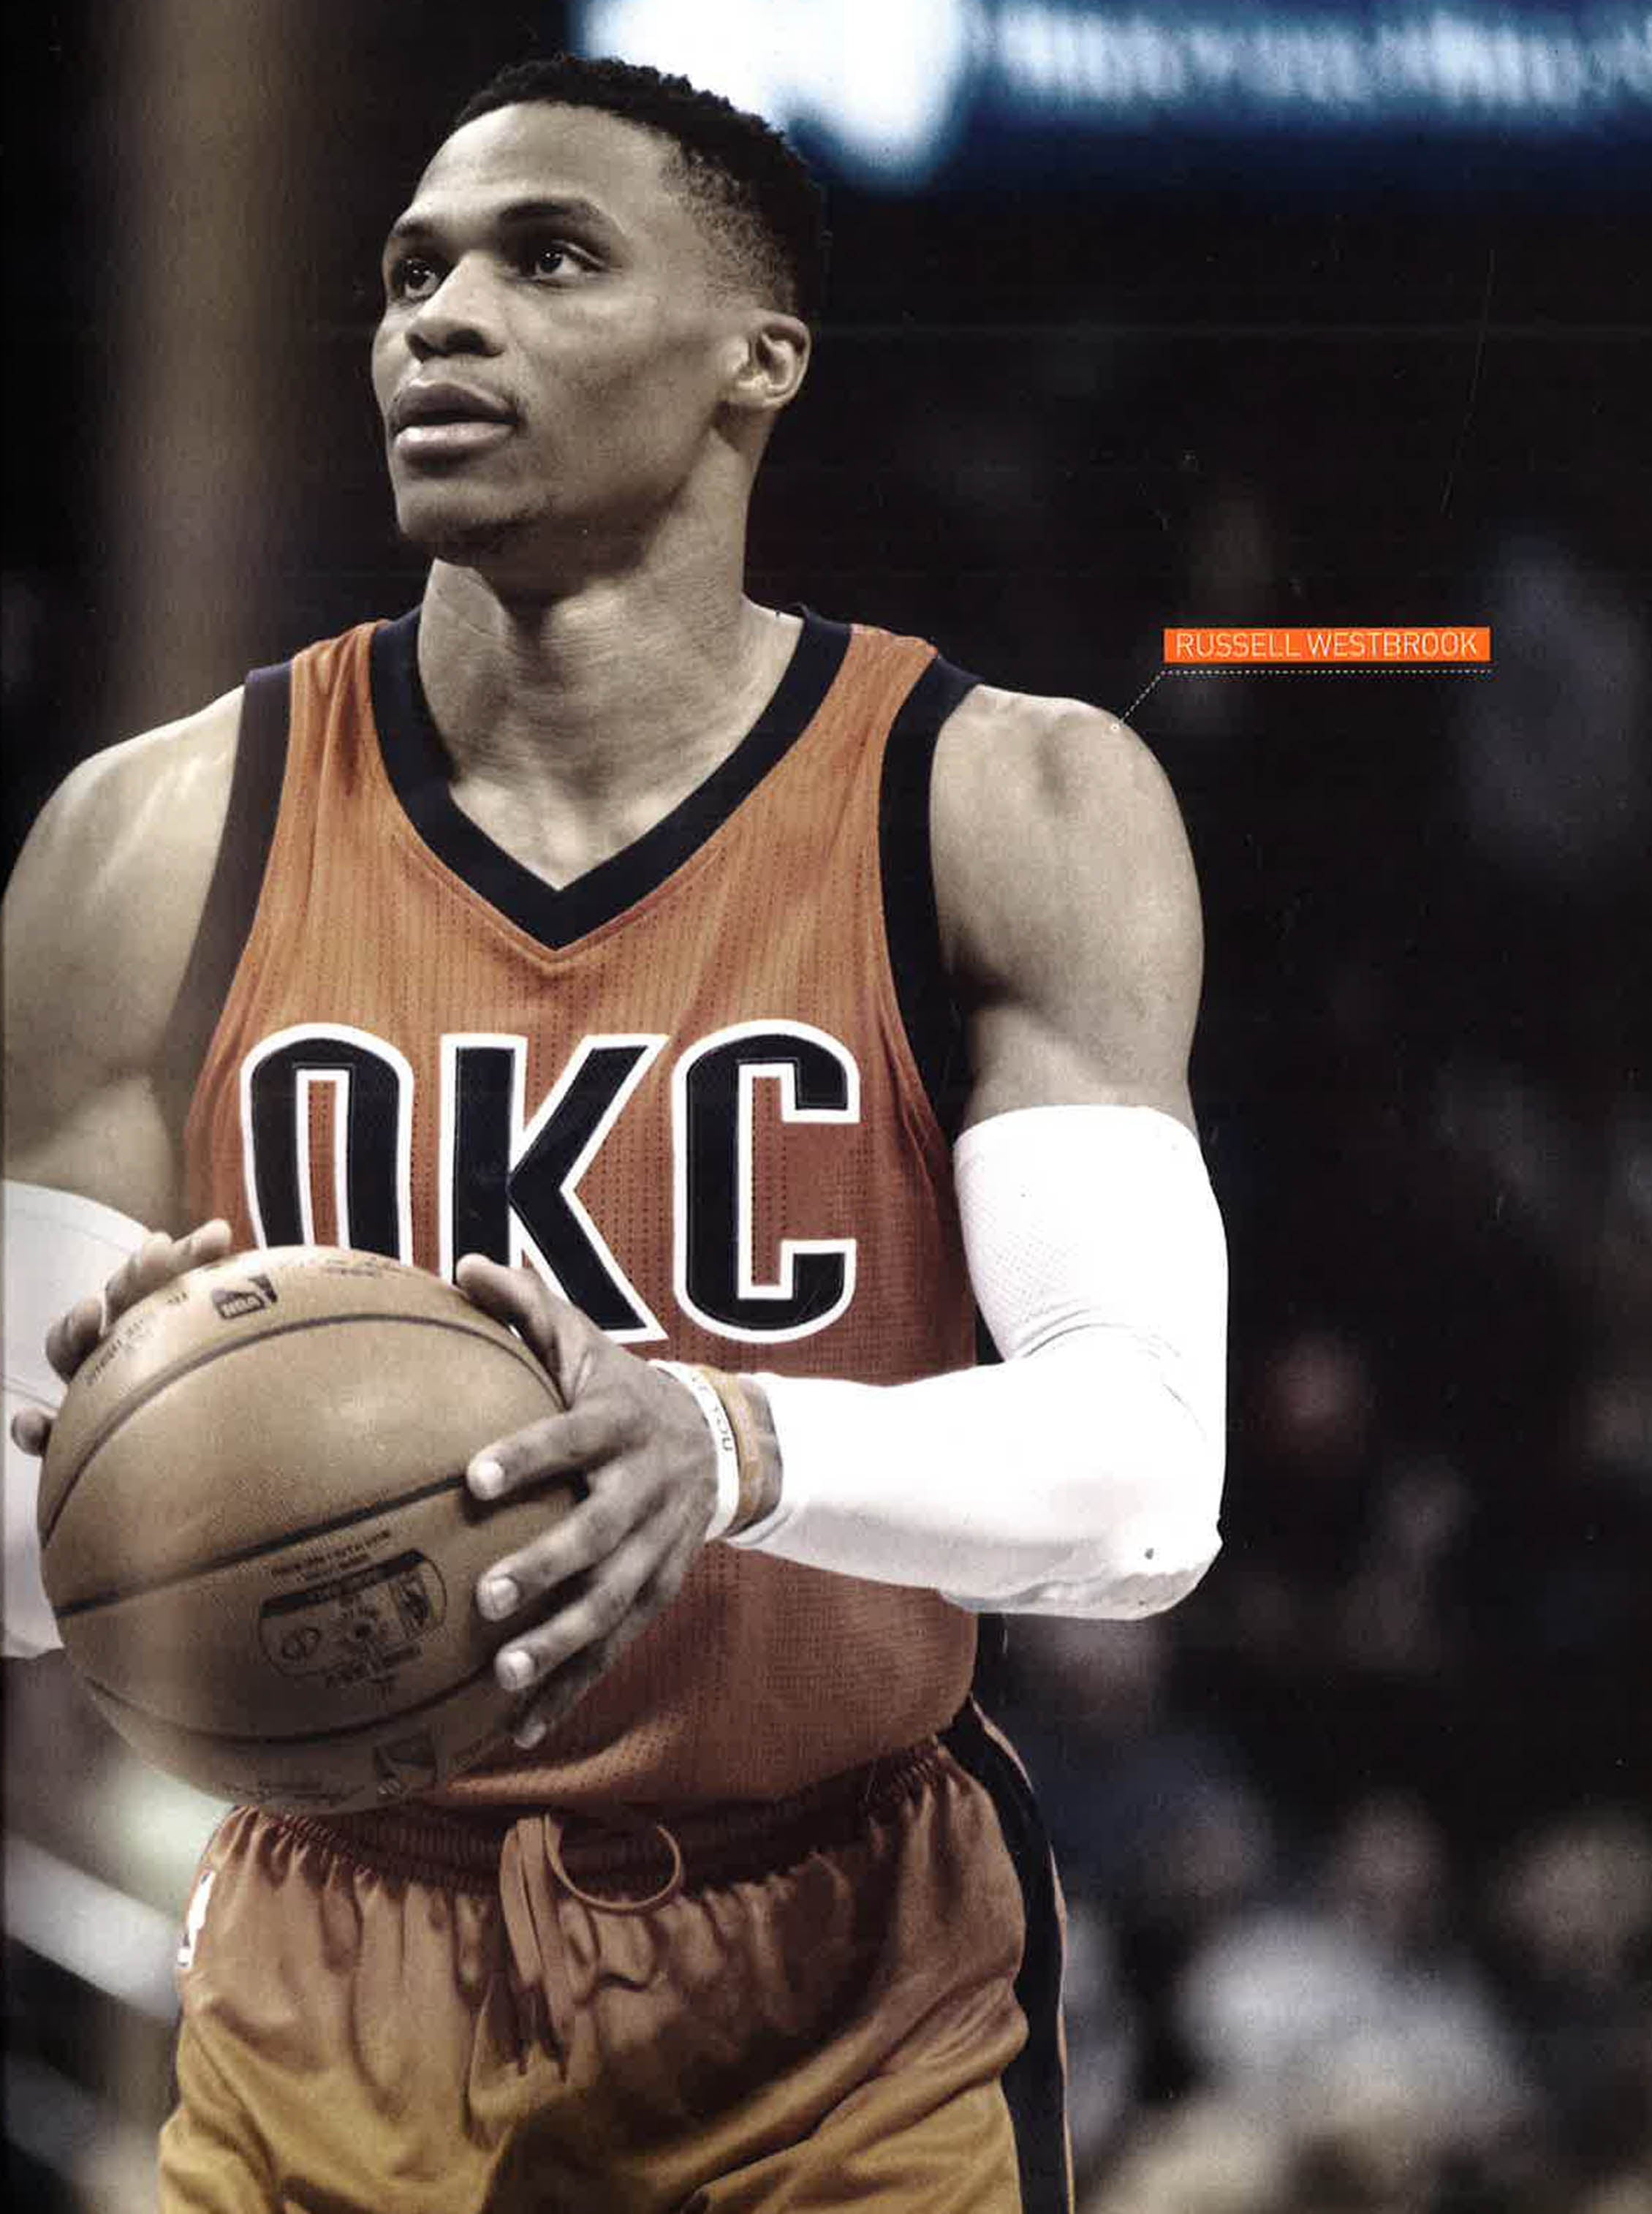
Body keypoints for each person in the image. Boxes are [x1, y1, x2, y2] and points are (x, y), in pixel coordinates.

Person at [3, 53, 1227, 2213]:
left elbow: (1148, 1481)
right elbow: (14, 1568)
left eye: (548, 259)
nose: (443, 320)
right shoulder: (154, 831)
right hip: (334, 1952)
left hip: (840, 1979)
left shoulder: (1001, 797)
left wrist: (728, 1443)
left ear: (761, 356)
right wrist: (127, 1440)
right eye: (412, 275)